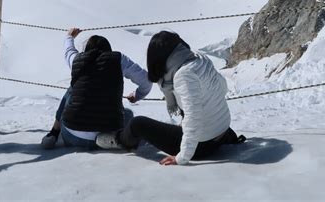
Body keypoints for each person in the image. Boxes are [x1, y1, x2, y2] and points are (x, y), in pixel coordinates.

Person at [97, 31, 245, 165]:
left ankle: (117, 140)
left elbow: (194, 116)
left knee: (138, 123)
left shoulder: (183, 75)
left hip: (203, 145)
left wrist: (182, 157)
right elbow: (222, 87)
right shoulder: (199, 59)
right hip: (222, 132)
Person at [41, 28, 152, 149]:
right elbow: (146, 80)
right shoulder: (119, 60)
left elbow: (68, 51)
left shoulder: (76, 60)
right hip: (108, 131)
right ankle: (113, 138)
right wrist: (137, 95)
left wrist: (69, 36)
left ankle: (54, 132)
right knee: (128, 114)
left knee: (71, 90)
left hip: (73, 135)